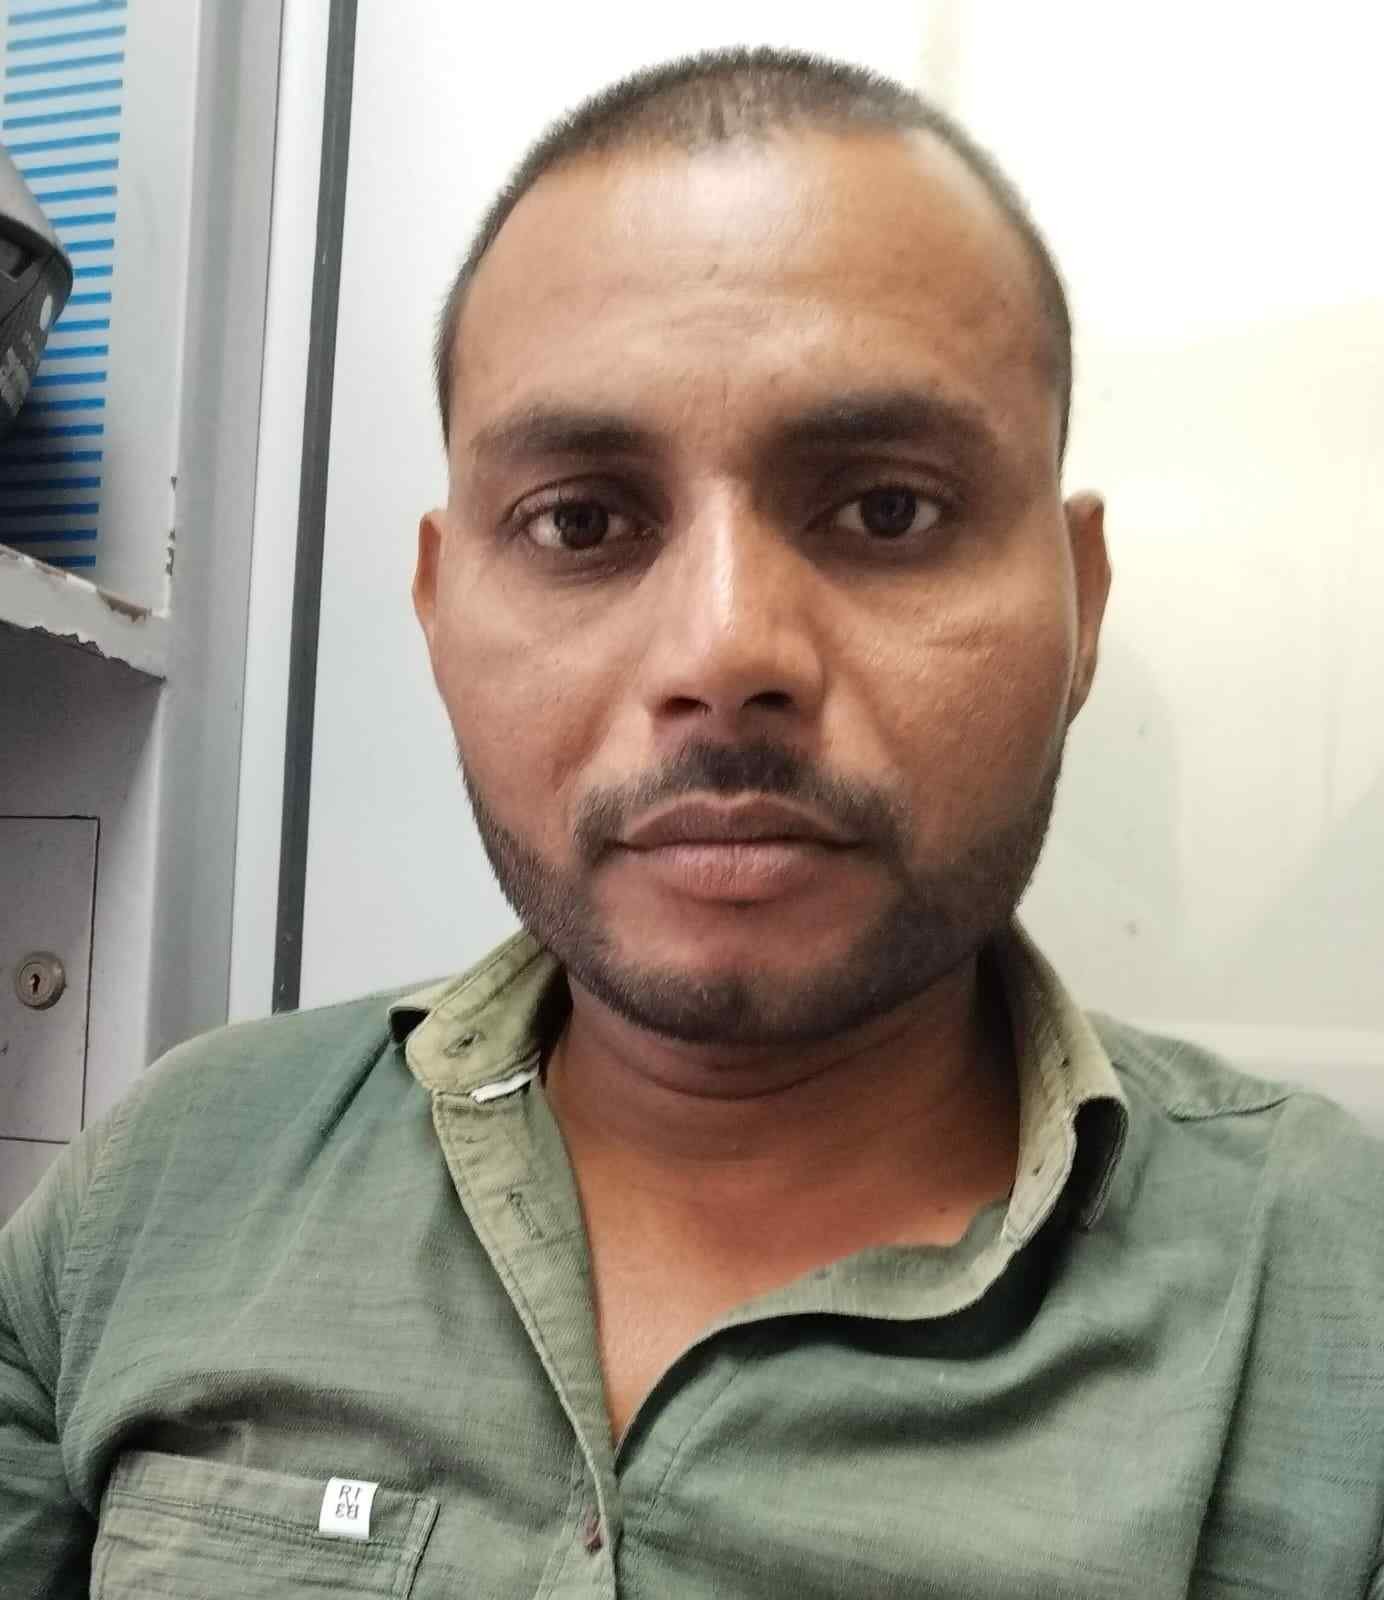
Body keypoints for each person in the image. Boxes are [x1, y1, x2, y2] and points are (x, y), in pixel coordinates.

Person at [2, 45, 1381, 1599]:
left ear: (1084, 606)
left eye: (889, 510)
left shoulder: (1337, 1300)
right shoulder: (165, 1182)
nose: (725, 653)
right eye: (582, 521)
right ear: (440, 615)